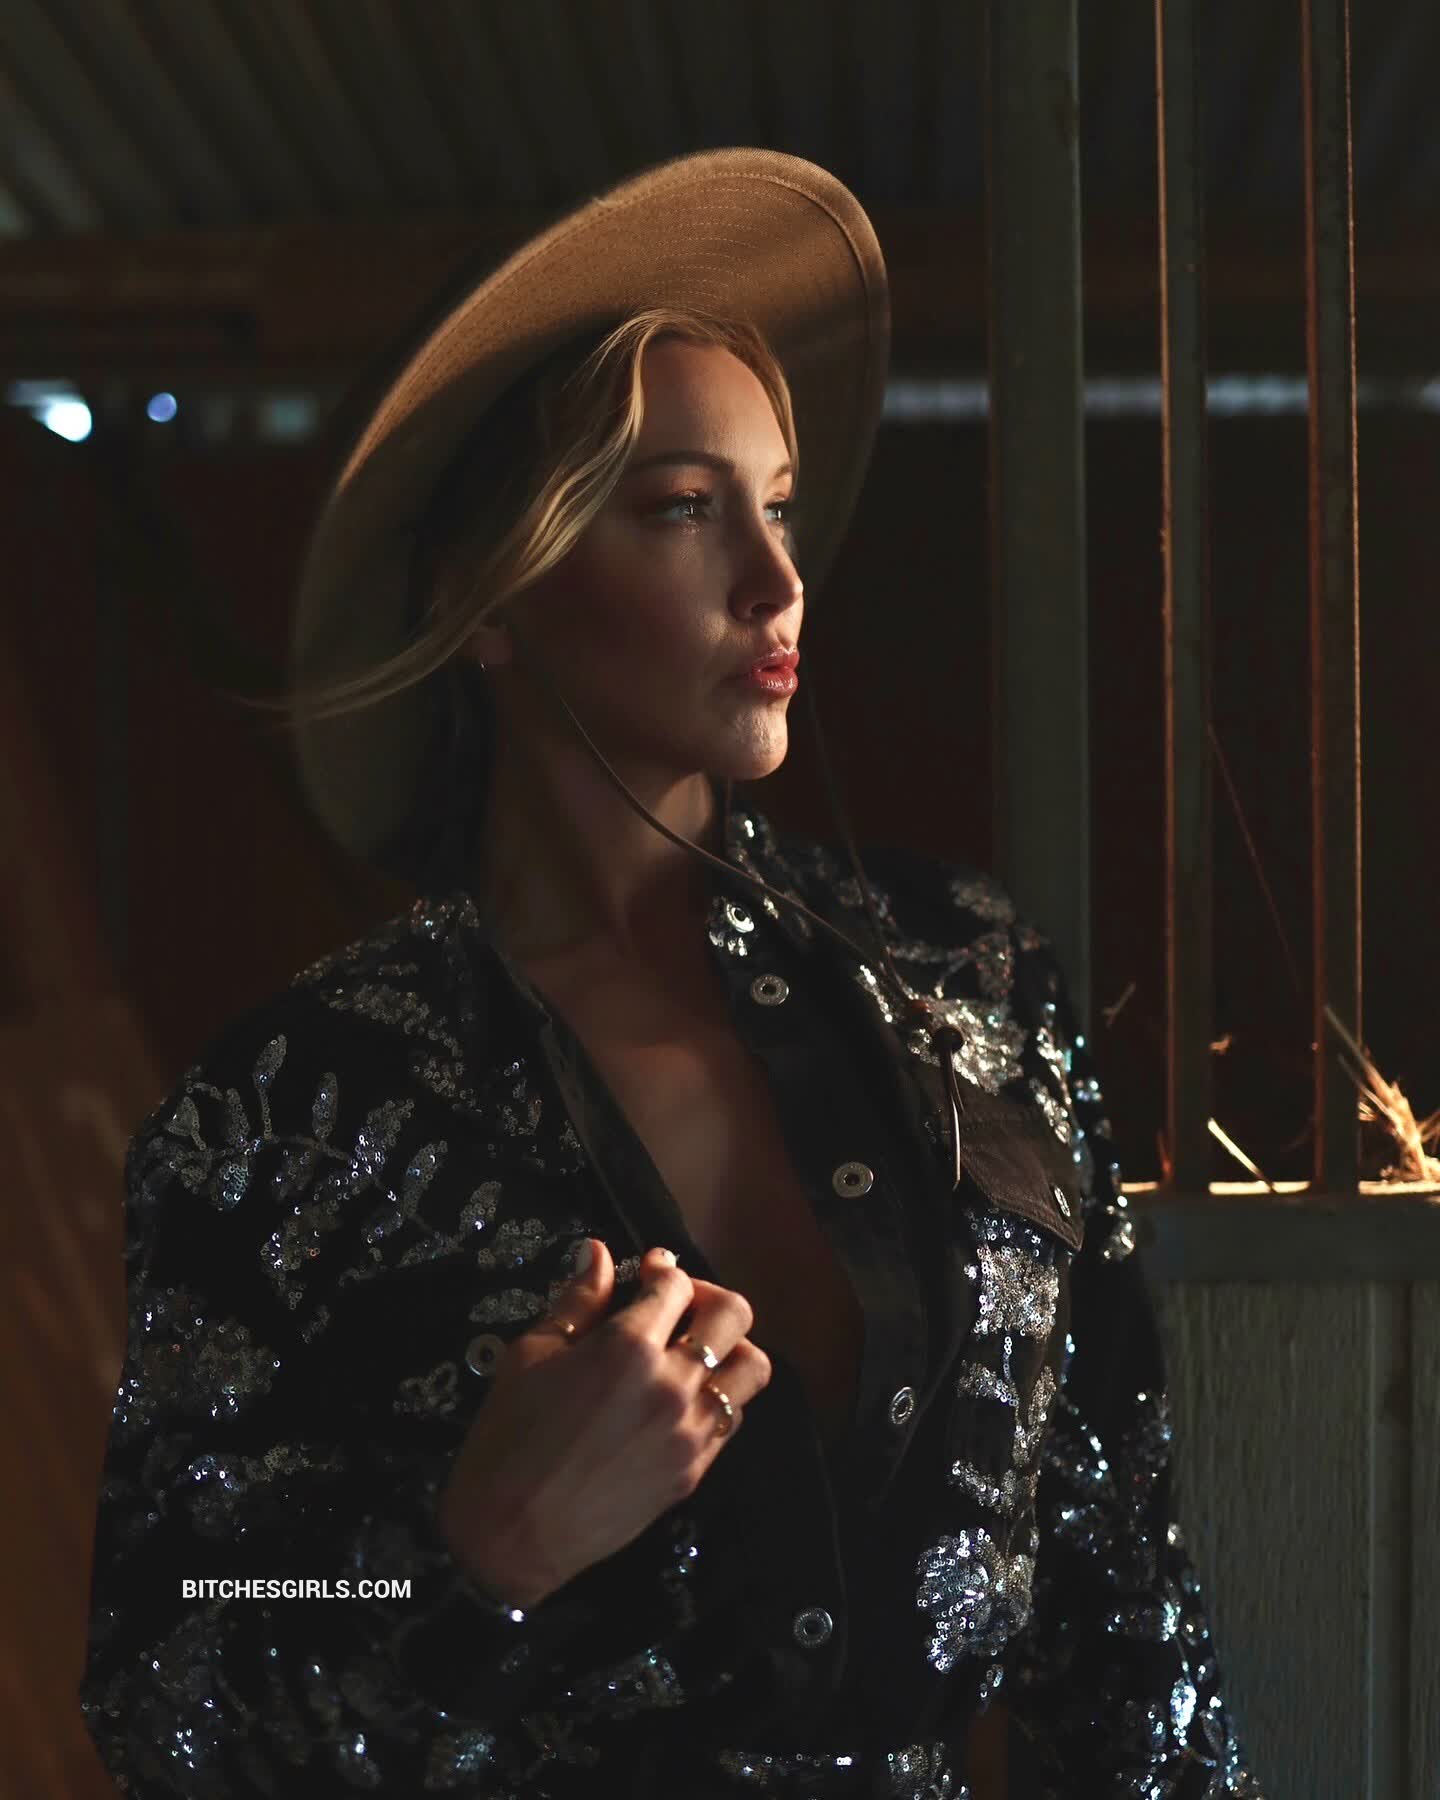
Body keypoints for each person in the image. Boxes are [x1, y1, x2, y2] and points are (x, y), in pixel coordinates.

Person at [78, 150, 1264, 1798]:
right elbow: (175, 1664)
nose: (779, 582)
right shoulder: (291, 1110)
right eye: (687, 510)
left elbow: (1123, 1588)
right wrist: (480, 1552)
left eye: (778, 506)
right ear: (491, 598)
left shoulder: (967, 977)